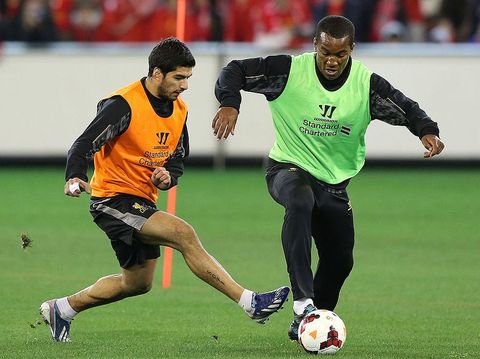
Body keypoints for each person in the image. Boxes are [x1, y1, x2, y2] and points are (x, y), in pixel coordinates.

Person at [39, 37, 289, 342]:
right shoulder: (123, 105)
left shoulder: (179, 110)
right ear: (157, 73)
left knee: (137, 284)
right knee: (183, 234)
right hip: (112, 198)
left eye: (188, 78)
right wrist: (75, 175)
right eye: (179, 77)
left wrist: (167, 178)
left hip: (142, 201)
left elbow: (177, 158)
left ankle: (62, 308)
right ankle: (250, 302)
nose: (185, 85)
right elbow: (83, 144)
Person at [211, 15, 445, 341]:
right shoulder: (289, 71)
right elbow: (234, 69)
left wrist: (427, 131)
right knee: (299, 200)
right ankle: (302, 301)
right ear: (314, 46)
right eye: (325, 53)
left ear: (352, 50)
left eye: (340, 54)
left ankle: (310, 322)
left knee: (340, 261)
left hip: (334, 184)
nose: (332, 61)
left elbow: (405, 107)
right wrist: (229, 103)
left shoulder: (366, 85)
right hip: (287, 167)